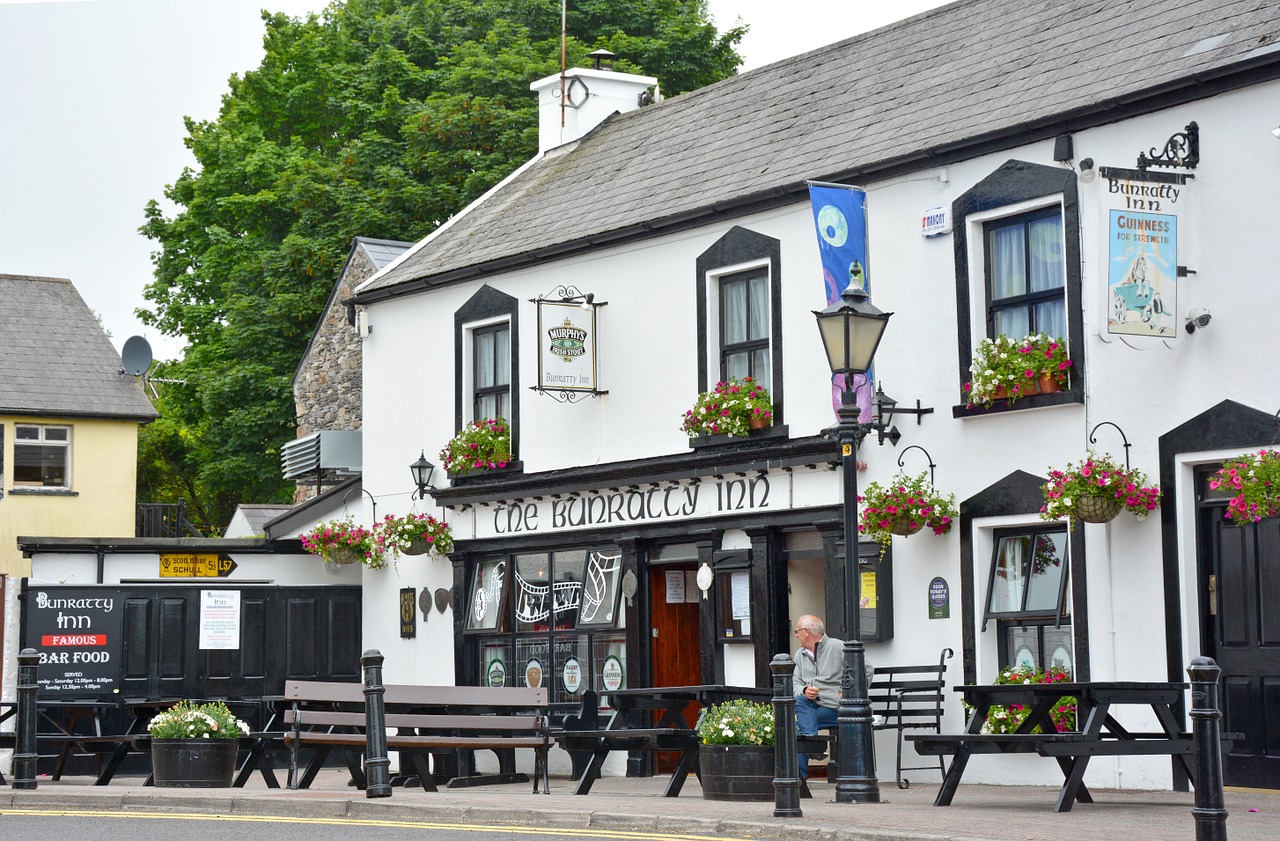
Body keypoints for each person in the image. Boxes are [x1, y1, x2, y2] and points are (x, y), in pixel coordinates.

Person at [793, 614, 842, 780]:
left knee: (797, 726)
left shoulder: (837, 647)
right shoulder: (800, 655)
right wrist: (805, 690)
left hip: (834, 706)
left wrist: (847, 691)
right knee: (800, 701)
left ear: (806, 632)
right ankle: (814, 745)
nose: (796, 635)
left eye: (797, 631)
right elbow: (794, 685)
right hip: (810, 706)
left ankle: (799, 779)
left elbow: (866, 670)